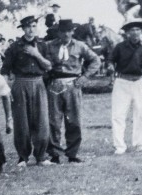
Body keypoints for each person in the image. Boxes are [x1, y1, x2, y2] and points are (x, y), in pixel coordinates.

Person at [42, 19, 100, 163]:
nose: (66, 34)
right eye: (63, 31)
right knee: (53, 120)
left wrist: (85, 77)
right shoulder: (49, 46)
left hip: (73, 85)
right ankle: (54, 153)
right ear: (58, 32)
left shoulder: (80, 46)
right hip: (54, 84)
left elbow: (95, 60)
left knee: (74, 120)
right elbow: (41, 63)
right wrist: (46, 78)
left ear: (73, 31)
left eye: (69, 31)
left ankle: (72, 153)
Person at [1, 15, 52, 167]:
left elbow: (49, 66)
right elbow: (5, 70)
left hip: (38, 83)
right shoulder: (15, 47)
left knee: (42, 120)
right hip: (20, 83)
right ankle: (23, 157)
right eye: (28, 27)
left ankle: (41, 156)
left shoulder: (43, 45)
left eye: (34, 26)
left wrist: (36, 54)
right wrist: (6, 89)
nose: (31, 30)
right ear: (23, 29)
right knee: (22, 122)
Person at [109, 20, 142, 155]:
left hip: (139, 82)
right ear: (127, 33)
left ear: (141, 32)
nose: (135, 32)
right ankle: (119, 146)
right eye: (132, 30)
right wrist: (111, 67)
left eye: (138, 30)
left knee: (141, 114)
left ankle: (140, 144)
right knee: (118, 115)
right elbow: (111, 60)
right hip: (122, 82)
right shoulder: (120, 47)